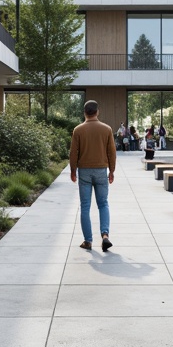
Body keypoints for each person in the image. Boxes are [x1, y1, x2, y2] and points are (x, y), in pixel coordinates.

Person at [70, 99, 117, 251]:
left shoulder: (78, 130)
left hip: (84, 171)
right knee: (103, 203)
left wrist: (73, 170)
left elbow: (73, 153)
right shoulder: (107, 129)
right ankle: (105, 235)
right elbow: (112, 152)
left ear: (84, 112)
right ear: (97, 112)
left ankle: (88, 241)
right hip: (101, 170)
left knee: (85, 206)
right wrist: (112, 170)